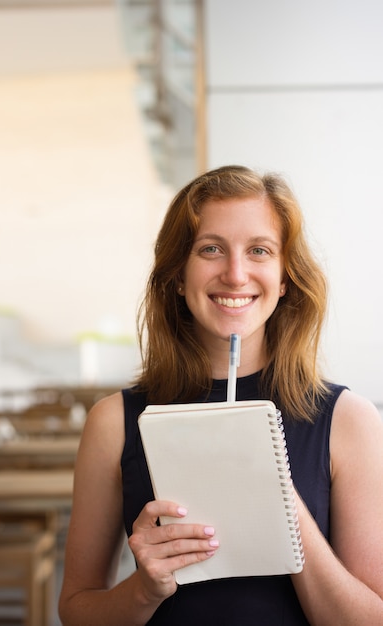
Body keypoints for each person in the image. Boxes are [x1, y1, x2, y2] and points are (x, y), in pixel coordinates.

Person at [59, 165, 383, 625]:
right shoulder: (114, 422)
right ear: (176, 273)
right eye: (211, 249)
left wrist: (285, 510)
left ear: (285, 276)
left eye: (259, 251)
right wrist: (143, 591)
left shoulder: (349, 420)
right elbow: (75, 610)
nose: (235, 274)